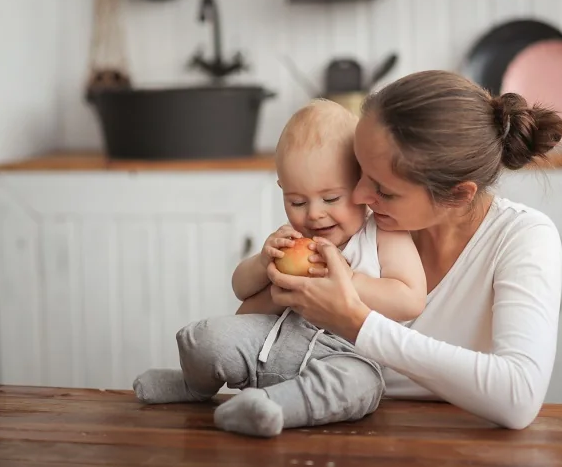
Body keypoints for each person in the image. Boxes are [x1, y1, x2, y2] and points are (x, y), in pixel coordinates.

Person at [261, 70, 562, 430]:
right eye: (359, 170)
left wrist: (356, 323)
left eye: (384, 189)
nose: (359, 196)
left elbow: (519, 396)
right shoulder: (353, 228)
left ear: (457, 194)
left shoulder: (522, 237)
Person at [132, 99, 427, 437]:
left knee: (357, 386)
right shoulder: (293, 239)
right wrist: (263, 263)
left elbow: (410, 299)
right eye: (297, 202)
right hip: (271, 344)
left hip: (345, 355)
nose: (313, 214)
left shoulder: (383, 235)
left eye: (331, 199)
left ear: (362, 184)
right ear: (283, 192)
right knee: (204, 337)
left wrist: (349, 280)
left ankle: (272, 407)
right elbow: (241, 290)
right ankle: (193, 386)